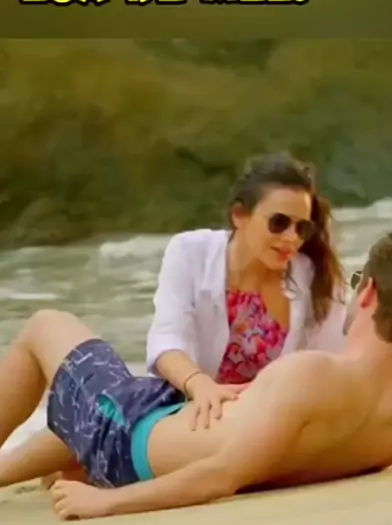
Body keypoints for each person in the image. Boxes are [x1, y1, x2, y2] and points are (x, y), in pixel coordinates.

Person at [0, 231, 392, 525]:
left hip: (126, 442)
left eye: (358, 280)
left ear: (370, 294)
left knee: (44, 327)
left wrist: (104, 505)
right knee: (120, 397)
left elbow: (221, 475)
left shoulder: (315, 374)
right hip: (159, 416)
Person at [146, 152, 347, 429]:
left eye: (302, 227)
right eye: (279, 223)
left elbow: (334, 363)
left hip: (275, 423)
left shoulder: (316, 279)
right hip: (192, 413)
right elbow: (167, 338)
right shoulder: (190, 252)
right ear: (240, 215)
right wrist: (199, 384)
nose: (292, 237)